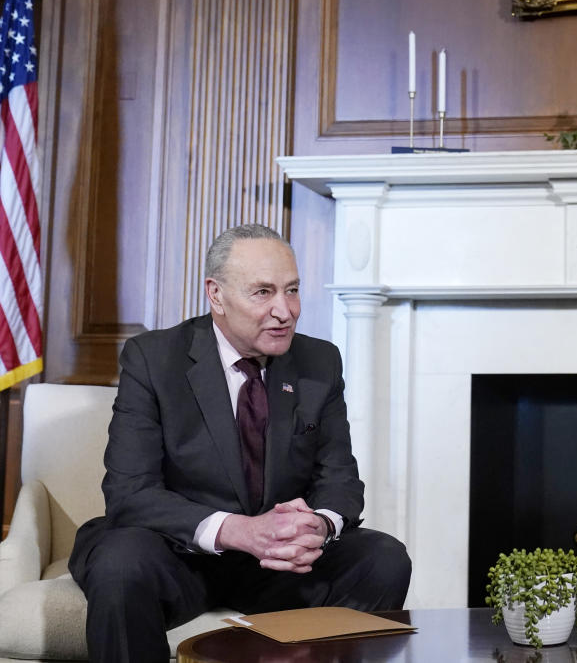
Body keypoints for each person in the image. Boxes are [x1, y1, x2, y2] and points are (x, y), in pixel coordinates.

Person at [69, 224, 411, 663]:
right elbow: (129, 494)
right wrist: (240, 531)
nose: (284, 311)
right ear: (216, 295)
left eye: (292, 290)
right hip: (180, 555)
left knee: (384, 558)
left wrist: (318, 527)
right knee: (119, 562)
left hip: (278, 567)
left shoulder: (319, 361)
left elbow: (340, 482)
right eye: (263, 292)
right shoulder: (153, 359)